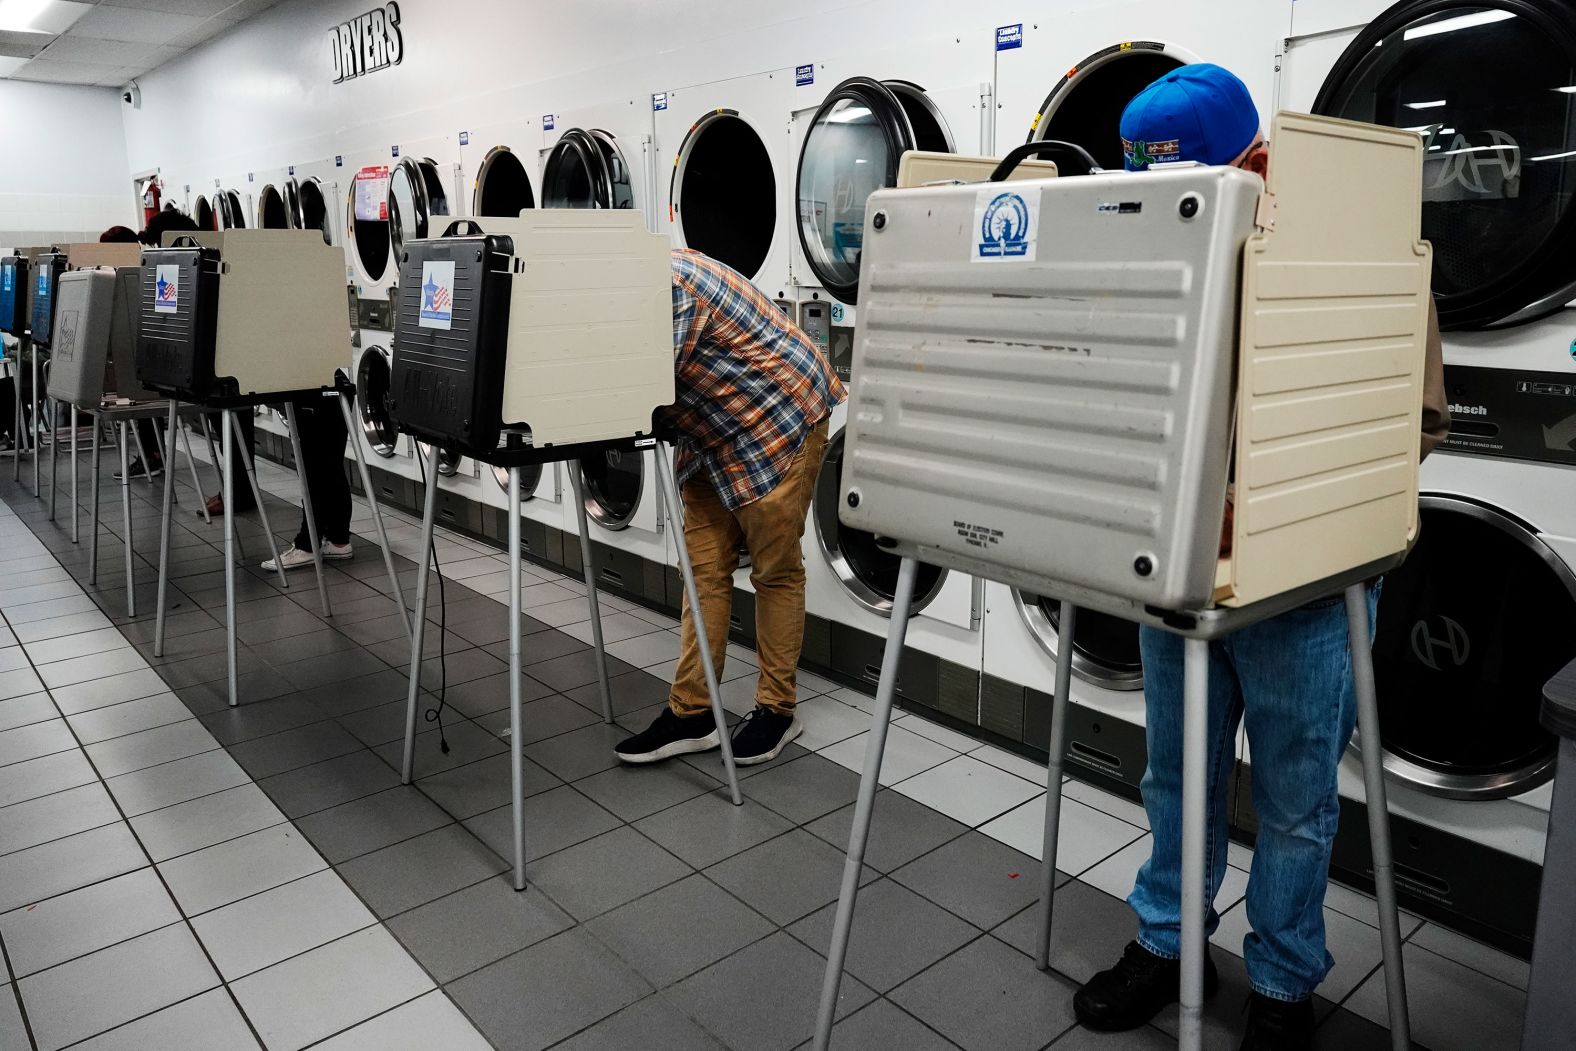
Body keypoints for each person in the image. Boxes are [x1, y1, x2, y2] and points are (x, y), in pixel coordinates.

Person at [1071, 64, 1450, 1051]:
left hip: (1304, 581)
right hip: (1186, 571)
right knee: (1175, 776)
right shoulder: (1148, 241)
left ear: (1255, 161)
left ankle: (1282, 983)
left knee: (1292, 797)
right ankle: (1167, 944)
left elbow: (1402, 420)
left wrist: (1283, 502)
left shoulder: (1347, 237)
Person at [614, 249, 844, 766]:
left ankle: (778, 711)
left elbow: (637, 392)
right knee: (701, 572)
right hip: (712, 433)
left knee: (775, 572)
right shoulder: (626, 288)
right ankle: (693, 713)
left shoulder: (669, 291)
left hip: (777, 419)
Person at [261, 371, 354, 570]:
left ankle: (308, 546)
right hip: (332, 381)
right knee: (330, 467)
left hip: (310, 386)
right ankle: (339, 540)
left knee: (314, 470)